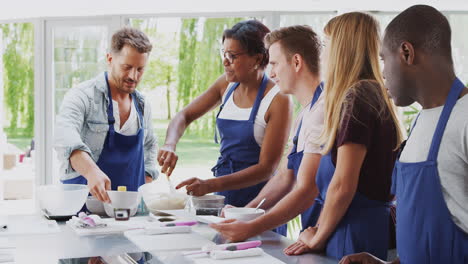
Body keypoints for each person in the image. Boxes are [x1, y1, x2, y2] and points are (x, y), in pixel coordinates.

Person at [341, 5, 468, 264]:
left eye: (383, 59)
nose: (383, 72)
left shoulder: (464, 119)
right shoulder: (421, 121)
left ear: (407, 53)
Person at [284, 12, 403, 260]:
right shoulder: (375, 92)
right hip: (358, 228)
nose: (323, 54)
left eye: (327, 45)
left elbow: (342, 185)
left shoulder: (357, 98)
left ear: (342, 49)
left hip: (351, 233)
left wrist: (317, 237)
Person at [158, 20, 292, 207]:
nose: (225, 61)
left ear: (257, 59)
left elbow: (266, 169)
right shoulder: (226, 85)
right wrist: (170, 145)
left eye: (233, 55)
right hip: (224, 194)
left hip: (260, 201)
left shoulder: (278, 99)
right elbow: (184, 116)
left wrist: (209, 185)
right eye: (224, 53)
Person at [211, 25, 324, 240]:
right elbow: (284, 177)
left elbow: (306, 191)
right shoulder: (306, 113)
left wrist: (251, 227)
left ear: (297, 62)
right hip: (311, 228)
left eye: (274, 64)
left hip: (325, 229)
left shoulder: (321, 112)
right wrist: (246, 214)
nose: (271, 73)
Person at [54, 27, 158, 203]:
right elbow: (64, 137)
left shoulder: (142, 105)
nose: (134, 76)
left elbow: (149, 146)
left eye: (140, 69)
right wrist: (91, 172)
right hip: (84, 209)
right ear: (110, 59)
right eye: (127, 67)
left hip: (129, 212)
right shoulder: (82, 96)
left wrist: (144, 186)